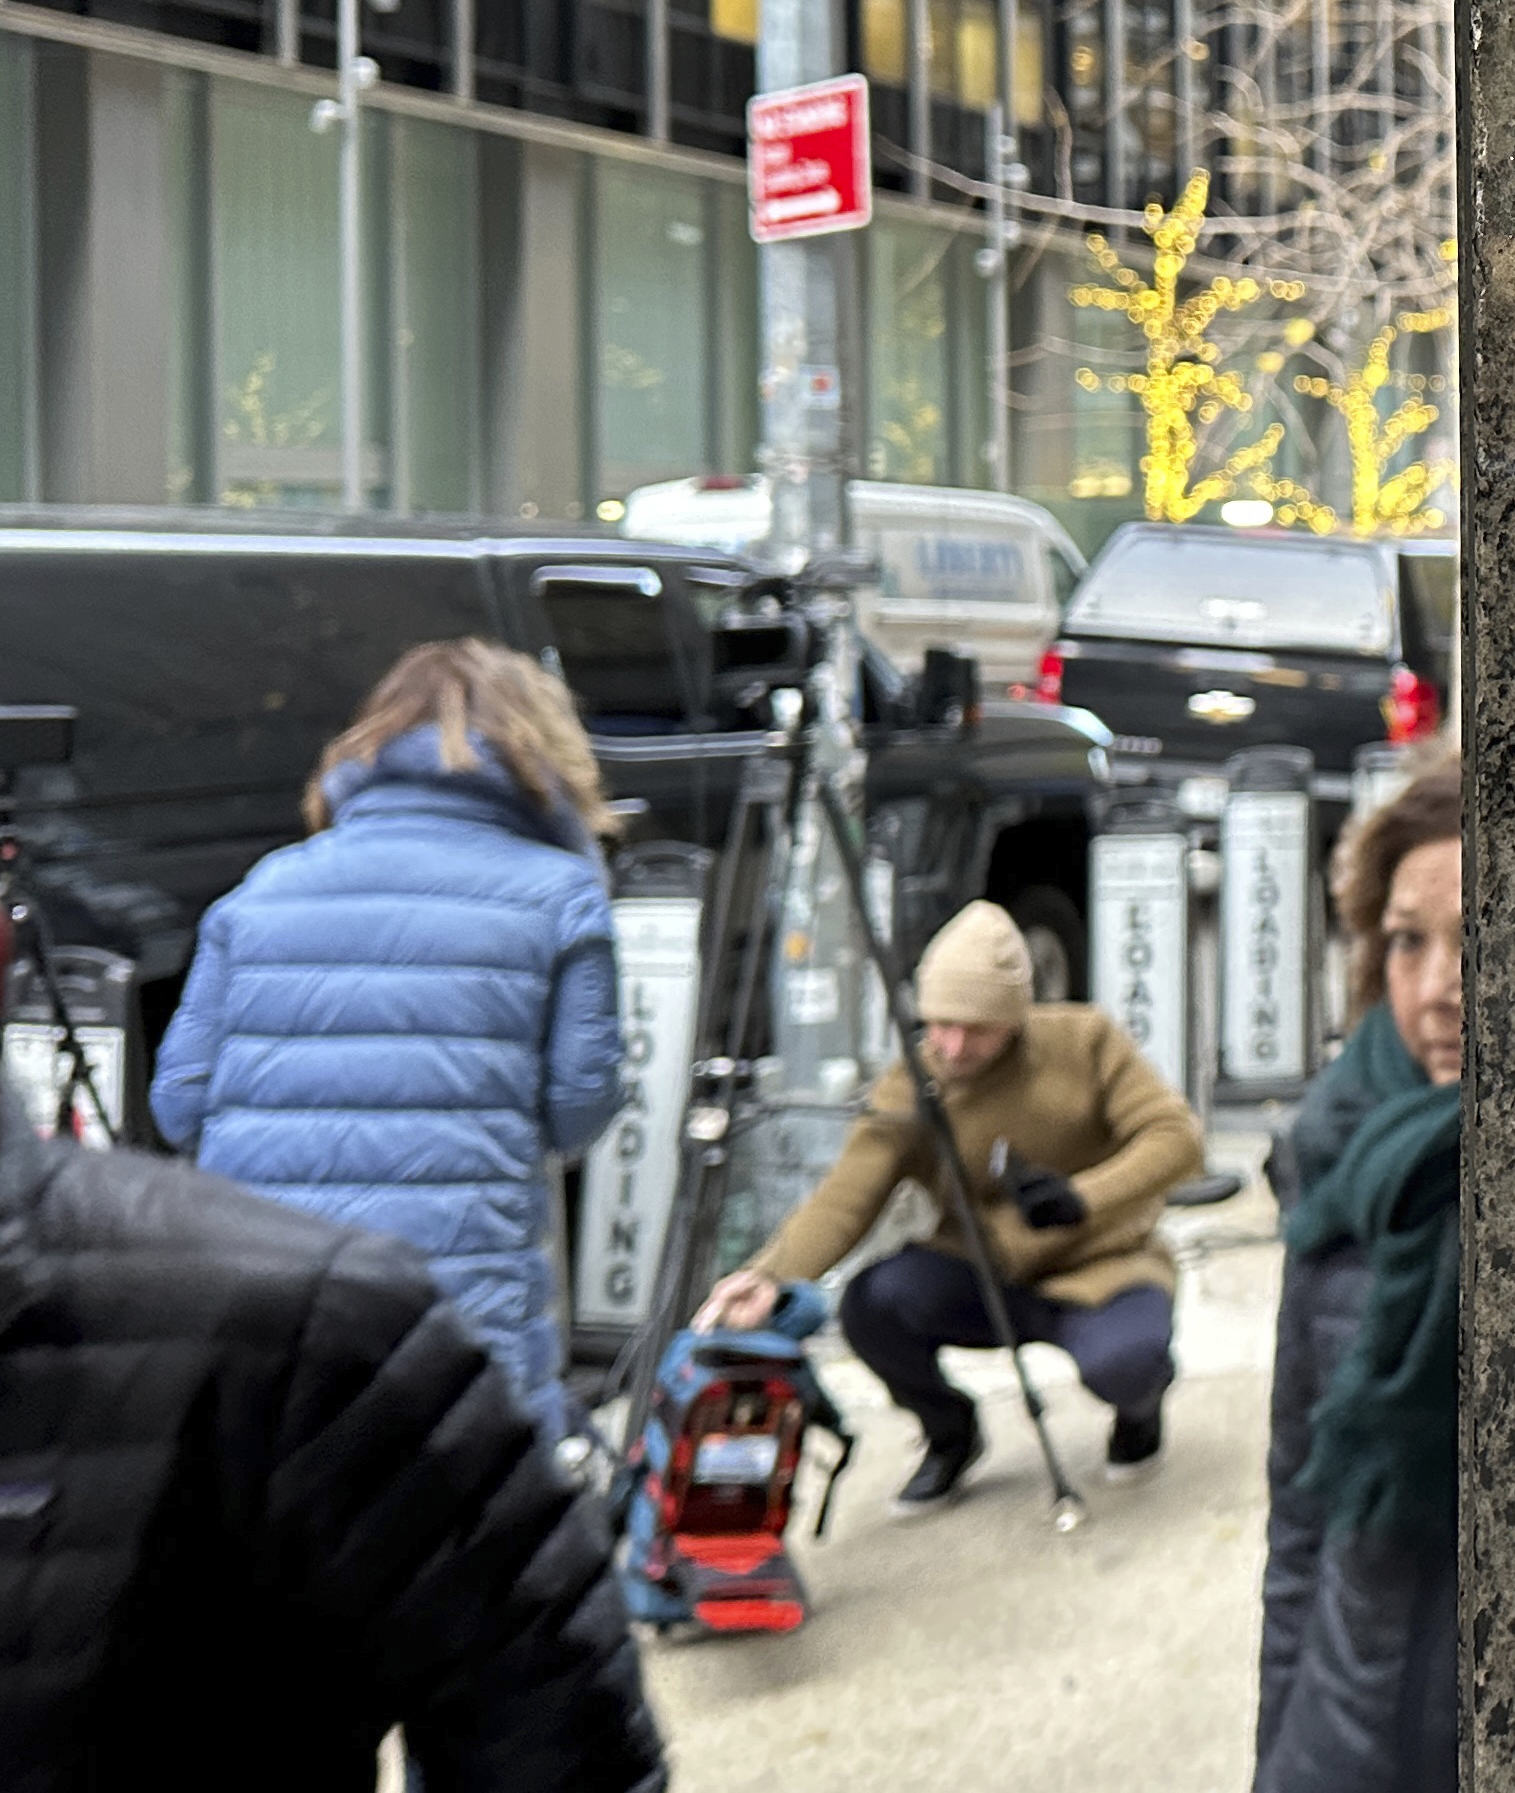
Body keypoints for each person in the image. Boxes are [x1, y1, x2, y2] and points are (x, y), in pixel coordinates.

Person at [0, 1066, 668, 1789]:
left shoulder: (237, 942)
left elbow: (178, 1096)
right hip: (409, 1294)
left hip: (207, 1273)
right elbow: (580, 1103)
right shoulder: (347, 1321)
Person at [148, 635, 626, 1446]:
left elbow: (179, 1105)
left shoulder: (263, 888)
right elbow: (578, 1108)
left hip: (265, 1291)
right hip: (456, 1300)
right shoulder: (560, 895)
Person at [698, 897, 1206, 1510]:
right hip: (981, 1269)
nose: (954, 1044)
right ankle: (949, 1432)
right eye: (939, 1022)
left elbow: (1176, 1139)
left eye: (977, 1027)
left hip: (1100, 1266)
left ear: (1016, 1016)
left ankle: (1139, 1411)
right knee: (873, 1306)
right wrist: (770, 1273)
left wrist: (1083, 1197)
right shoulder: (915, 1081)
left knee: (1130, 1361)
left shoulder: (1086, 1041)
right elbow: (846, 1196)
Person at [1256, 755, 1464, 1793]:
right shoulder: (1342, 1168)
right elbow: (1299, 1523)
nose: (1437, 992)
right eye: (1407, 942)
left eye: (1483, 935)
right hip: (1343, 1741)